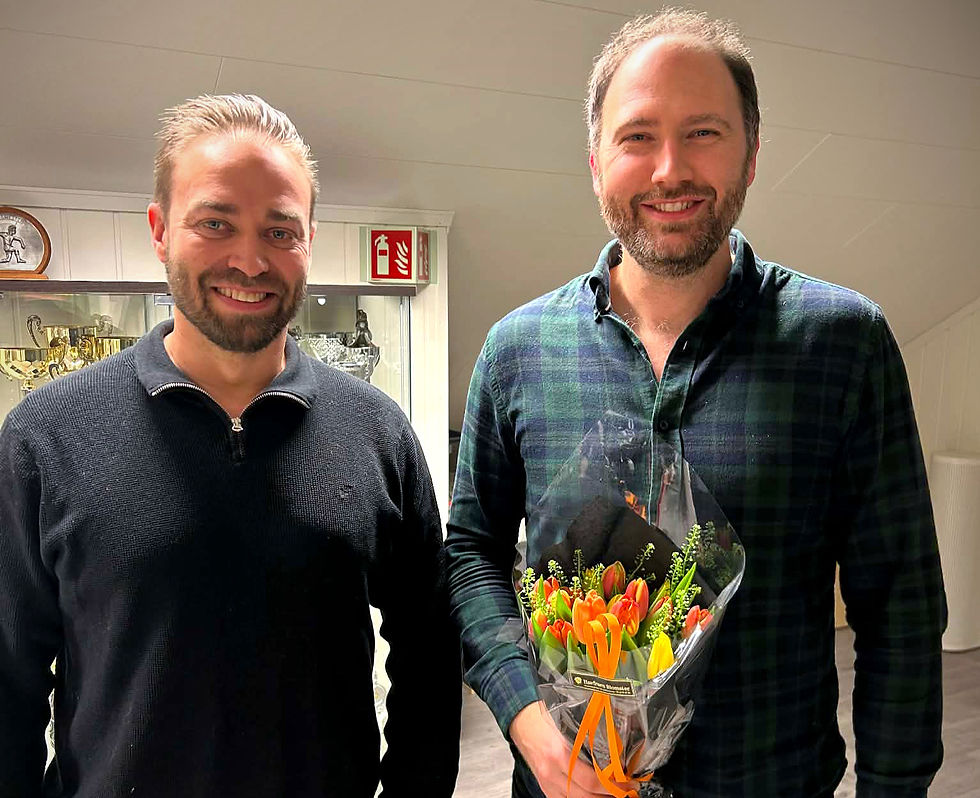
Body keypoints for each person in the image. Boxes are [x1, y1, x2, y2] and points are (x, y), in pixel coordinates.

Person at [446, 9, 946, 798]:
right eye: (637, 136)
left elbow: (901, 610)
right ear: (596, 161)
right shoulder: (517, 351)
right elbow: (470, 556)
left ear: (752, 152)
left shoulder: (844, 344)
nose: (669, 169)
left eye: (704, 133)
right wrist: (526, 721)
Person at [0, 93, 460, 797]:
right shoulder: (46, 435)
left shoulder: (378, 432)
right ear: (160, 230)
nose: (249, 260)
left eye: (280, 231)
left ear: (309, 240)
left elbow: (429, 652)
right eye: (215, 223)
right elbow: (11, 680)